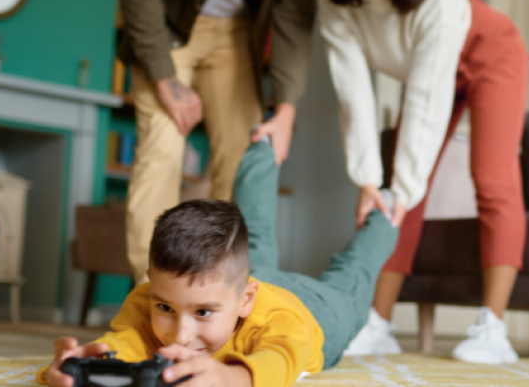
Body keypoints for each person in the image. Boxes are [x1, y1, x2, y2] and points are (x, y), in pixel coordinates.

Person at [319, 0, 529, 364]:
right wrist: (369, 183)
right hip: (430, 74)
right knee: (396, 191)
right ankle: (379, 322)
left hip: (488, 52)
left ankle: (493, 327)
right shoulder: (336, 2)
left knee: (491, 177)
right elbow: (354, 94)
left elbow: (426, 101)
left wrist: (401, 185)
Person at [38, 139, 399, 387]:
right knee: (249, 239)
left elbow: (281, 358)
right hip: (245, 280)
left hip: (317, 309)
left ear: (246, 300)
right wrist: (85, 366)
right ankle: (261, 147)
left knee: (352, 280)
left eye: (203, 314)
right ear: (151, 282)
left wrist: (231, 378)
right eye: (164, 306)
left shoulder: (282, 326)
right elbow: (127, 343)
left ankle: (388, 214)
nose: (179, 334)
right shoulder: (154, 297)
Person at [119, 0, 328, 285]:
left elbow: (294, 19)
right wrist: (165, 79)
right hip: (165, 28)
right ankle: (150, 296)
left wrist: (285, 109)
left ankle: (215, 297)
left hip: (233, 34)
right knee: (162, 150)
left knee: (242, 161)